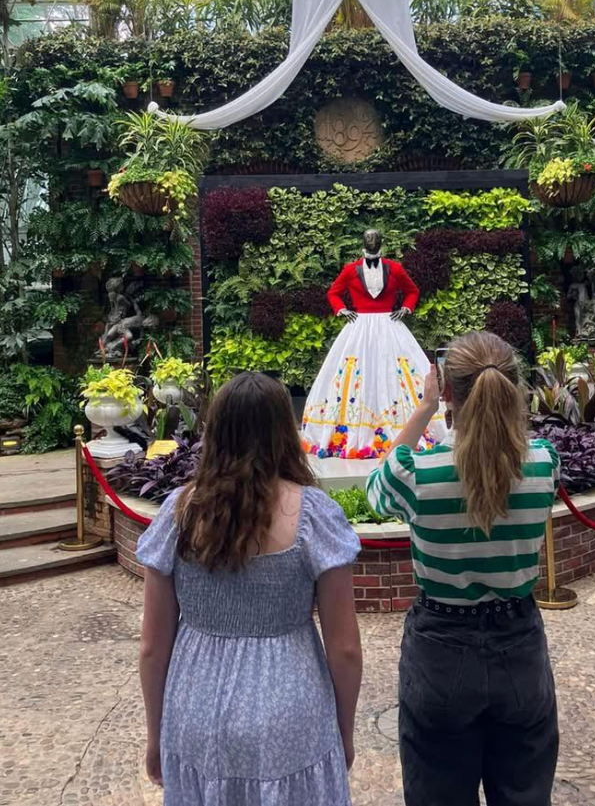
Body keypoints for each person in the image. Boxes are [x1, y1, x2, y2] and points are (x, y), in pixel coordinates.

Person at [137, 371, 363, 806]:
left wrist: (155, 735)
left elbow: (152, 645)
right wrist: (344, 732)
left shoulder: (178, 513)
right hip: (292, 712)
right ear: (284, 429)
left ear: (216, 430)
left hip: (195, 709)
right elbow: (346, 648)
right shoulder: (314, 515)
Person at [367, 331, 560, 806]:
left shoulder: (417, 474)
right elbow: (509, 452)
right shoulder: (542, 465)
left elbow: (376, 489)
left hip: (441, 648)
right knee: (523, 792)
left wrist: (425, 409)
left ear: (446, 390)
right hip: (519, 643)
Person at [302, 227, 445, 461]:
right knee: (356, 373)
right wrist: (342, 310)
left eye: (375, 238)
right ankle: (352, 430)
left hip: (390, 325)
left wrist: (406, 308)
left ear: (380, 242)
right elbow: (333, 293)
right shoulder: (350, 270)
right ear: (363, 243)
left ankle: (405, 426)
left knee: (393, 371)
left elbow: (412, 290)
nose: (371, 242)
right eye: (368, 239)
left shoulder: (394, 268)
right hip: (359, 327)